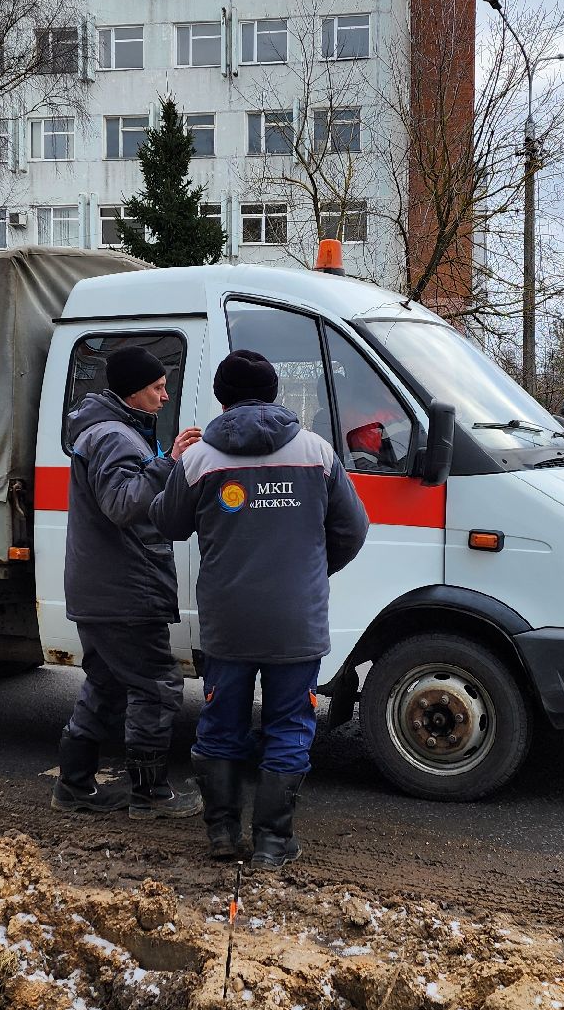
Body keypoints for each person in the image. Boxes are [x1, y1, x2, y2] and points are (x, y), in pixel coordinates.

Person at [152, 350, 369, 868]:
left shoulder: (201, 457)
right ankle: (273, 843)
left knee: (222, 722)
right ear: (273, 393)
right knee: (290, 724)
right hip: (297, 619)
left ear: (221, 398)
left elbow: (167, 523)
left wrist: (176, 466)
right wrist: (310, 572)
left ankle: (223, 836)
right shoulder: (317, 452)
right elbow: (353, 530)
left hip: (228, 619)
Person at [53, 345, 203, 821]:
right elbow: (121, 504)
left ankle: (74, 785)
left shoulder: (111, 431)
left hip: (105, 588)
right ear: (135, 391)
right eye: (158, 388)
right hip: (125, 591)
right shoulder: (115, 437)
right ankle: (150, 794)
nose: (164, 396)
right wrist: (170, 462)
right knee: (157, 685)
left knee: (107, 683)